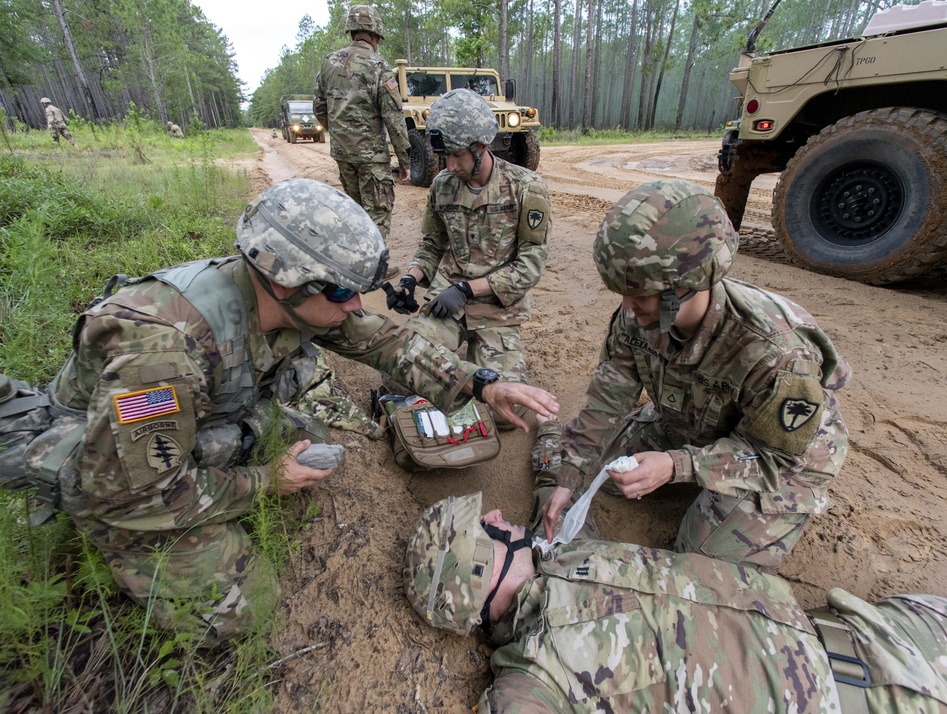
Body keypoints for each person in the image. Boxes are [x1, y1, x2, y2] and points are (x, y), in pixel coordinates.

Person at [37, 178, 557, 646]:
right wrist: (265, 482)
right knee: (240, 606)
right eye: (342, 292)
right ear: (287, 280)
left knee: (305, 432)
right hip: (112, 475)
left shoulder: (285, 295)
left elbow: (381, 340)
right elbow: (137, 492)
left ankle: (224, 459)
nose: (355, 306)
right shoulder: (161, 354)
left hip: (195, 426)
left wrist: (480, 383)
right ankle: (115, 547)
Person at [403, 459, 947, 712]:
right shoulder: (535, 672)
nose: (502, 519)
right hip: (878, 698)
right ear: (477, 570)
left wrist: (559, 473)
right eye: (488, 527)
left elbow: (556, 487)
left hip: (872, 626)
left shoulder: (563, 557)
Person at [541, 179, 850, 571]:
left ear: (686, 285)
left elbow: (777, 456)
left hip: (776, 454)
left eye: (640, 294)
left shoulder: (775, 352)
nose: (628, 306)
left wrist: (676, 466)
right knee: (594, 468)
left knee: (700, 565)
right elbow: (606, 401)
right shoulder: (638, 316)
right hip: (694, 422)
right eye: (622, 291)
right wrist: (569, 475)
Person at [384, 89, 550, 427]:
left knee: (508, 412)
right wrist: (410, 279)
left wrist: (467, 289)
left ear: (481, 145)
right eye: (444, 156)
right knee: (398, 373)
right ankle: (454, 361)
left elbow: (530, 265)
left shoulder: (526, 187)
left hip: (496, 309)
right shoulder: (443, 185)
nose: (450, 166)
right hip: (447, 304)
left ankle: (465, 363)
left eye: (457, 155)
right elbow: (431, 244)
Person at [313, 4, 410, 254]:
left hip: (343, 154)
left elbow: (319, 107)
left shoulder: (329, 63)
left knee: (353, 209)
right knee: (377, 209)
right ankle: (374, 267)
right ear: (376, 36)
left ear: (352, 32)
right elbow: (394, 117)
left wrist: (340, 131)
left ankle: (355, 260)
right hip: (371, 157)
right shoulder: (379, 67)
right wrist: (404, 160)